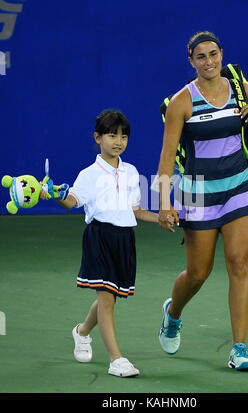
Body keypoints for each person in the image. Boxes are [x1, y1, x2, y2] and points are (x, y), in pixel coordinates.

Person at [157, 31, 248, 371]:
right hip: (197, 191)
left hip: (240, 185)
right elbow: (166, 158)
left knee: (239, 264)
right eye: (201, 57)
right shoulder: (182, 101)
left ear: (221, 54)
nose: (209, 62)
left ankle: (239, 348)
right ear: (191, 61)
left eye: (213, 54)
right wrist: (165, 202)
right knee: (197, 273)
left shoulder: (239, 87)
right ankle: (173, 313)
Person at [41, 109, 166, 378]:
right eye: (112, 135)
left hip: (124, 240)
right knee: (106, 299)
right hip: (99, 237)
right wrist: (56, 194)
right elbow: (71, 202)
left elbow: (135, 210)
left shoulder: (131, 172)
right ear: (98, 138)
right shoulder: (88, 174)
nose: (118, 141)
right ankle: (116, 360)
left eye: (123, 136)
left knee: (109, 298)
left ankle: (82, 331)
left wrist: (160, 219)